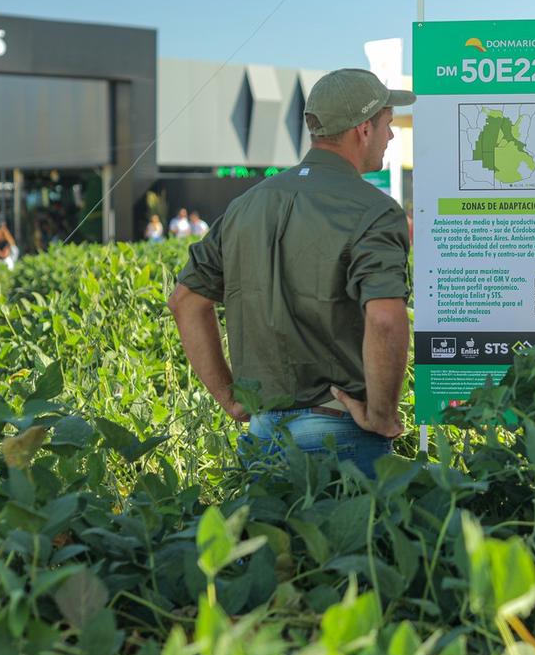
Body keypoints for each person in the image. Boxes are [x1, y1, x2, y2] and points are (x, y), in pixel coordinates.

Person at [168, 68, 414, 478]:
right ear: (364, 129)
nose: (391, 136)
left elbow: (185, 300)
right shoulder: (376, 210)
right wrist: (382, 416)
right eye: (388, 125)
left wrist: (231, 398)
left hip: (262, 436)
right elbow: (386, 319)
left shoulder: (246, 204)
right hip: (343, 437)